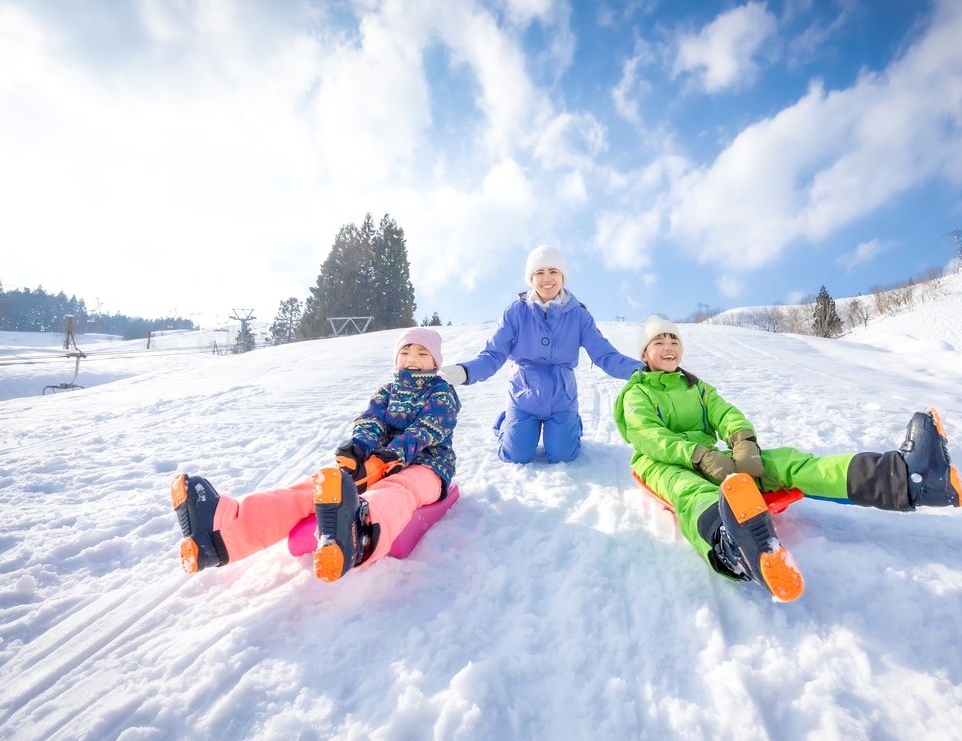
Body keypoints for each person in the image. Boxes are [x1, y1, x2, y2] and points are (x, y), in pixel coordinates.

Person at [613, 316, 962, 601]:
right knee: (690, 491)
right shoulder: (637, 392)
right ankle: (733, 545)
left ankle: (907, 477)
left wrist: (743, 444)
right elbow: (649, 436)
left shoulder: (698, 388)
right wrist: (697, 455)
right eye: (659, 341)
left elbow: (727, 415)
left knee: (785, 463)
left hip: (714, 457)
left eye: (674, 340)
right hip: (661, 462)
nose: (669, 346)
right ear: (645, 353)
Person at [170, 328, 460, 583]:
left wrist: (393, 454)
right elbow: (371, 421)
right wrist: (360, 448)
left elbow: (427, 429)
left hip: (426, 467)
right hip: (379, 461)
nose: (412, 357)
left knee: (397, 489)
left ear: (435, 362)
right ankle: (221, 532)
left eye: (422, 353)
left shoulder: (441, 393)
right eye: (406, 350)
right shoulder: (387, 391)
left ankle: (359, 533)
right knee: (318, 488)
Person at [438, 244, 641, 464]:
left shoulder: (579, 315)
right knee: (515, 455)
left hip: (562, 398)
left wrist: (642, 370)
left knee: (563, 455)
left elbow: (605, 355)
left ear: (563, 277)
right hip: (524, 396)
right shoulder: (516, 311)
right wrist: (465, 372)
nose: (547, 278)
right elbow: (493, 354)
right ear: (531, 279)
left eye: (553, 271)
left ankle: (572, 422)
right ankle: (508, 421)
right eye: (539, 272)